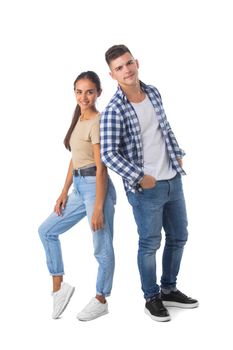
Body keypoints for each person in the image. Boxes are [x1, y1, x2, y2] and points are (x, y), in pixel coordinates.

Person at [100, 45, 198, 322]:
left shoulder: (153, 92)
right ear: (112, 74)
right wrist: (139, 176)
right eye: (119, 67)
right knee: (149, 243)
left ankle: (169, 288)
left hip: (173, 180)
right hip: (145, 190)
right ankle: (151, 297)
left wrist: (177, 155)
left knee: (179, 237)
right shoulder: (114, 110)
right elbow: (108, 153)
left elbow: (165, 129)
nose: (127, 70)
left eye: (129, 63)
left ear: (136, 62)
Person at [38, 71, 116, 321]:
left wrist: (98, 208)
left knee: (101, 247)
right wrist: (63, 192)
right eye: (79, 91)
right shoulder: (79, 119)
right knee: (47, 230)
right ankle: (59, 288)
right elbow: (75, 160)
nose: (84, 96)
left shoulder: (98, 121)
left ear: (98, 93)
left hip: (97, 187)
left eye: (89, 91)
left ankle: (101, 299)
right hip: (79, 188)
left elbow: (100, 166)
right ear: (74, 93)